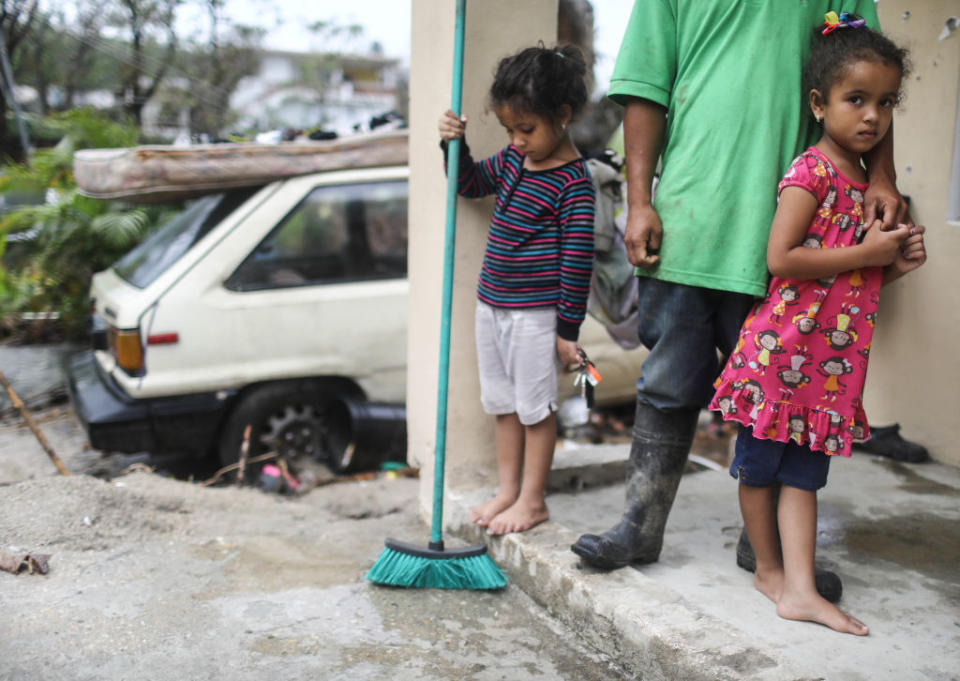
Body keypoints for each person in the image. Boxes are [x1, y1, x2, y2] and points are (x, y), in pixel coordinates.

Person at [570, 1, 909, 599]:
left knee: (779, 392)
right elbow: (648, 88)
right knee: (668, 380)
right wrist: (641, 200)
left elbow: (869, 77)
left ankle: (767, 552)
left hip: (789, 231)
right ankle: (639, 525)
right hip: (692, 215)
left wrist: (881, 178)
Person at [709, 16, 924, 636]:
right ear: (818, 104)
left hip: (826, 374)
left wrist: (895, 265)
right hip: (779, 358)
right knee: (759, 467)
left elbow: (850, 284)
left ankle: (799, 588)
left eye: (886, 103)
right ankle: (769, 569)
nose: (871, 117)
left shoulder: (870, 188)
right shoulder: (814, 174)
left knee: (805, 477)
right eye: (856, 99)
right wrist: (866, 254)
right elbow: (783, 260)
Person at [438, 44, 596, 536]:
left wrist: (566, 331)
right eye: (510, 130)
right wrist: (452, 145)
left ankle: (532, 500)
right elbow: (468, 185)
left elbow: (576, 264)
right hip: (491, 305)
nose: (517, 140)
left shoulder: (574, 184)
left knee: (534, 409)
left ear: (562, 116)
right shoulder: (512, 161)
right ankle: (507, 490)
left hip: (535, 317)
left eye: (526, 129)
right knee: (503, 404)